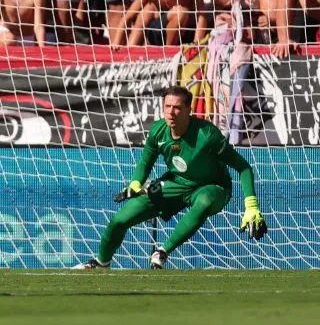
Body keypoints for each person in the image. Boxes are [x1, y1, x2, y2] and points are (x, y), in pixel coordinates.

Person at [77, 86, 267, 270]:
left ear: (188, 110)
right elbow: (145, 164)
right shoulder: (158, 131)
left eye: (177, 107)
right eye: (167, 107)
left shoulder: (207, 135)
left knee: (205, 200)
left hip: (212, 187)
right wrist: (135, 183)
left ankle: (162, 251)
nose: (171, 112)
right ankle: (101, 263)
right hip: (175, 183)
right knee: (120, 219)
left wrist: (251, 206)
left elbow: (243, 167)